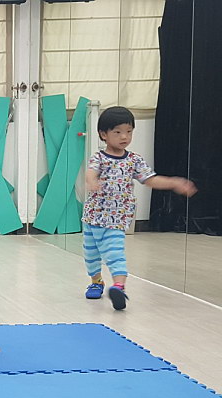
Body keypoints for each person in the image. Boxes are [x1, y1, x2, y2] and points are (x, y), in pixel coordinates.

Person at [82, 106, 197, 310]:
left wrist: (173, 182)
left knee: (115, 253)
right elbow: (91, 172)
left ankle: (119, 287)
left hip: (116, 220)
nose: (124, 137)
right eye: (118, 132)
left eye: (129, 131)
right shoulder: (99, 158)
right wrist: (92, 182)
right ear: (103, 134)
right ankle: (96, 281)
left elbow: (150, 180)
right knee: (91, 256)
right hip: (93, 217)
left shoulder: (134, 160)